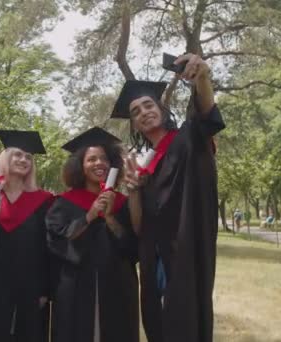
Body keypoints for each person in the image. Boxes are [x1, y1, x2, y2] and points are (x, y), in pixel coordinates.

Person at [110, 53, 225, 342]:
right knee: (157, 324)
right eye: (135, 111)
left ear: (162, 110)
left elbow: (205, 111)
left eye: (148, 105)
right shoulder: (142, 166)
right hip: (153, 258)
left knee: (185, 320)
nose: (143, 112)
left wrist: (202, 78)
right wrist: (134, 189)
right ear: (134, 125)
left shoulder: (189, 138)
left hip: (186, 249)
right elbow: (138, 228)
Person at [45, 127, 140, 342]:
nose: (99, 163)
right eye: (91, 159)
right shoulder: (64, 203)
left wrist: (109, 218)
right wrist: (89, 215)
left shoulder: (123, 203)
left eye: (104, 159)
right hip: (76, 285)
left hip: (117, 285)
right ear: (80, 166)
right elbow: (56, 242)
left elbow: (133, 248)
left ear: (112, 164)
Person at [0, 130, 53, 342]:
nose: (24, 160)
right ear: (6, 159)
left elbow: (48, 248)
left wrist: (45, 288)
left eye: (28, 157)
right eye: (18, 154)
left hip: (31, 283)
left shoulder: (43, 201)